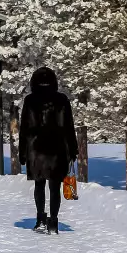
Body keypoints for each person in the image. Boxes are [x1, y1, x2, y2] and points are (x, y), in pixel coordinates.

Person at [18, 67, 79, 234]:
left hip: (35, 149)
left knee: (39, 185)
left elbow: (24, 128)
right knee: (55, 187)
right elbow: (69, 127)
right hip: (57, 149)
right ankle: (53, 221)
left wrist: (22, 152)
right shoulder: (62, 100)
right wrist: (73, 150)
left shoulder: (30, 100)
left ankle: (40, 219)